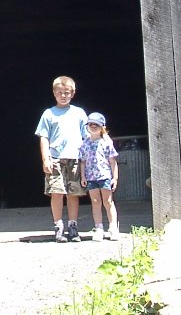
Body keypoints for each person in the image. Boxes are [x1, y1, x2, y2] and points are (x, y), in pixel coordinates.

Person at [35, 75, 88, 242]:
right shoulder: (48, 114)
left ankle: (73, 226)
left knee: (73, 194)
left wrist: (87, 160)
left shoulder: (79, 113)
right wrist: (46, 159)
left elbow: (87, 137)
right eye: (59, 92)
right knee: (56, 192)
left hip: (75, 158)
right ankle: (58, 226)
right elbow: (44, 137)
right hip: (56, 158)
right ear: (54, 93)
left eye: (66, 92)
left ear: (73, 93)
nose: (63, 96)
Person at [78, 112, 119, 241]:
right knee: (95, 202)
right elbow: (83, 161)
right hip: (91, 177)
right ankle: (99, 228)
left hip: (105, 176)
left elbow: (113, 161)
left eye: (96, 124)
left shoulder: (107, 142)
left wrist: (115, 177)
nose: (93, 126)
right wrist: (83, 176)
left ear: (102, 127)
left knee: (108, 202)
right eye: (91, 124)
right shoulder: (85, 143)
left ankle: (113, 227)